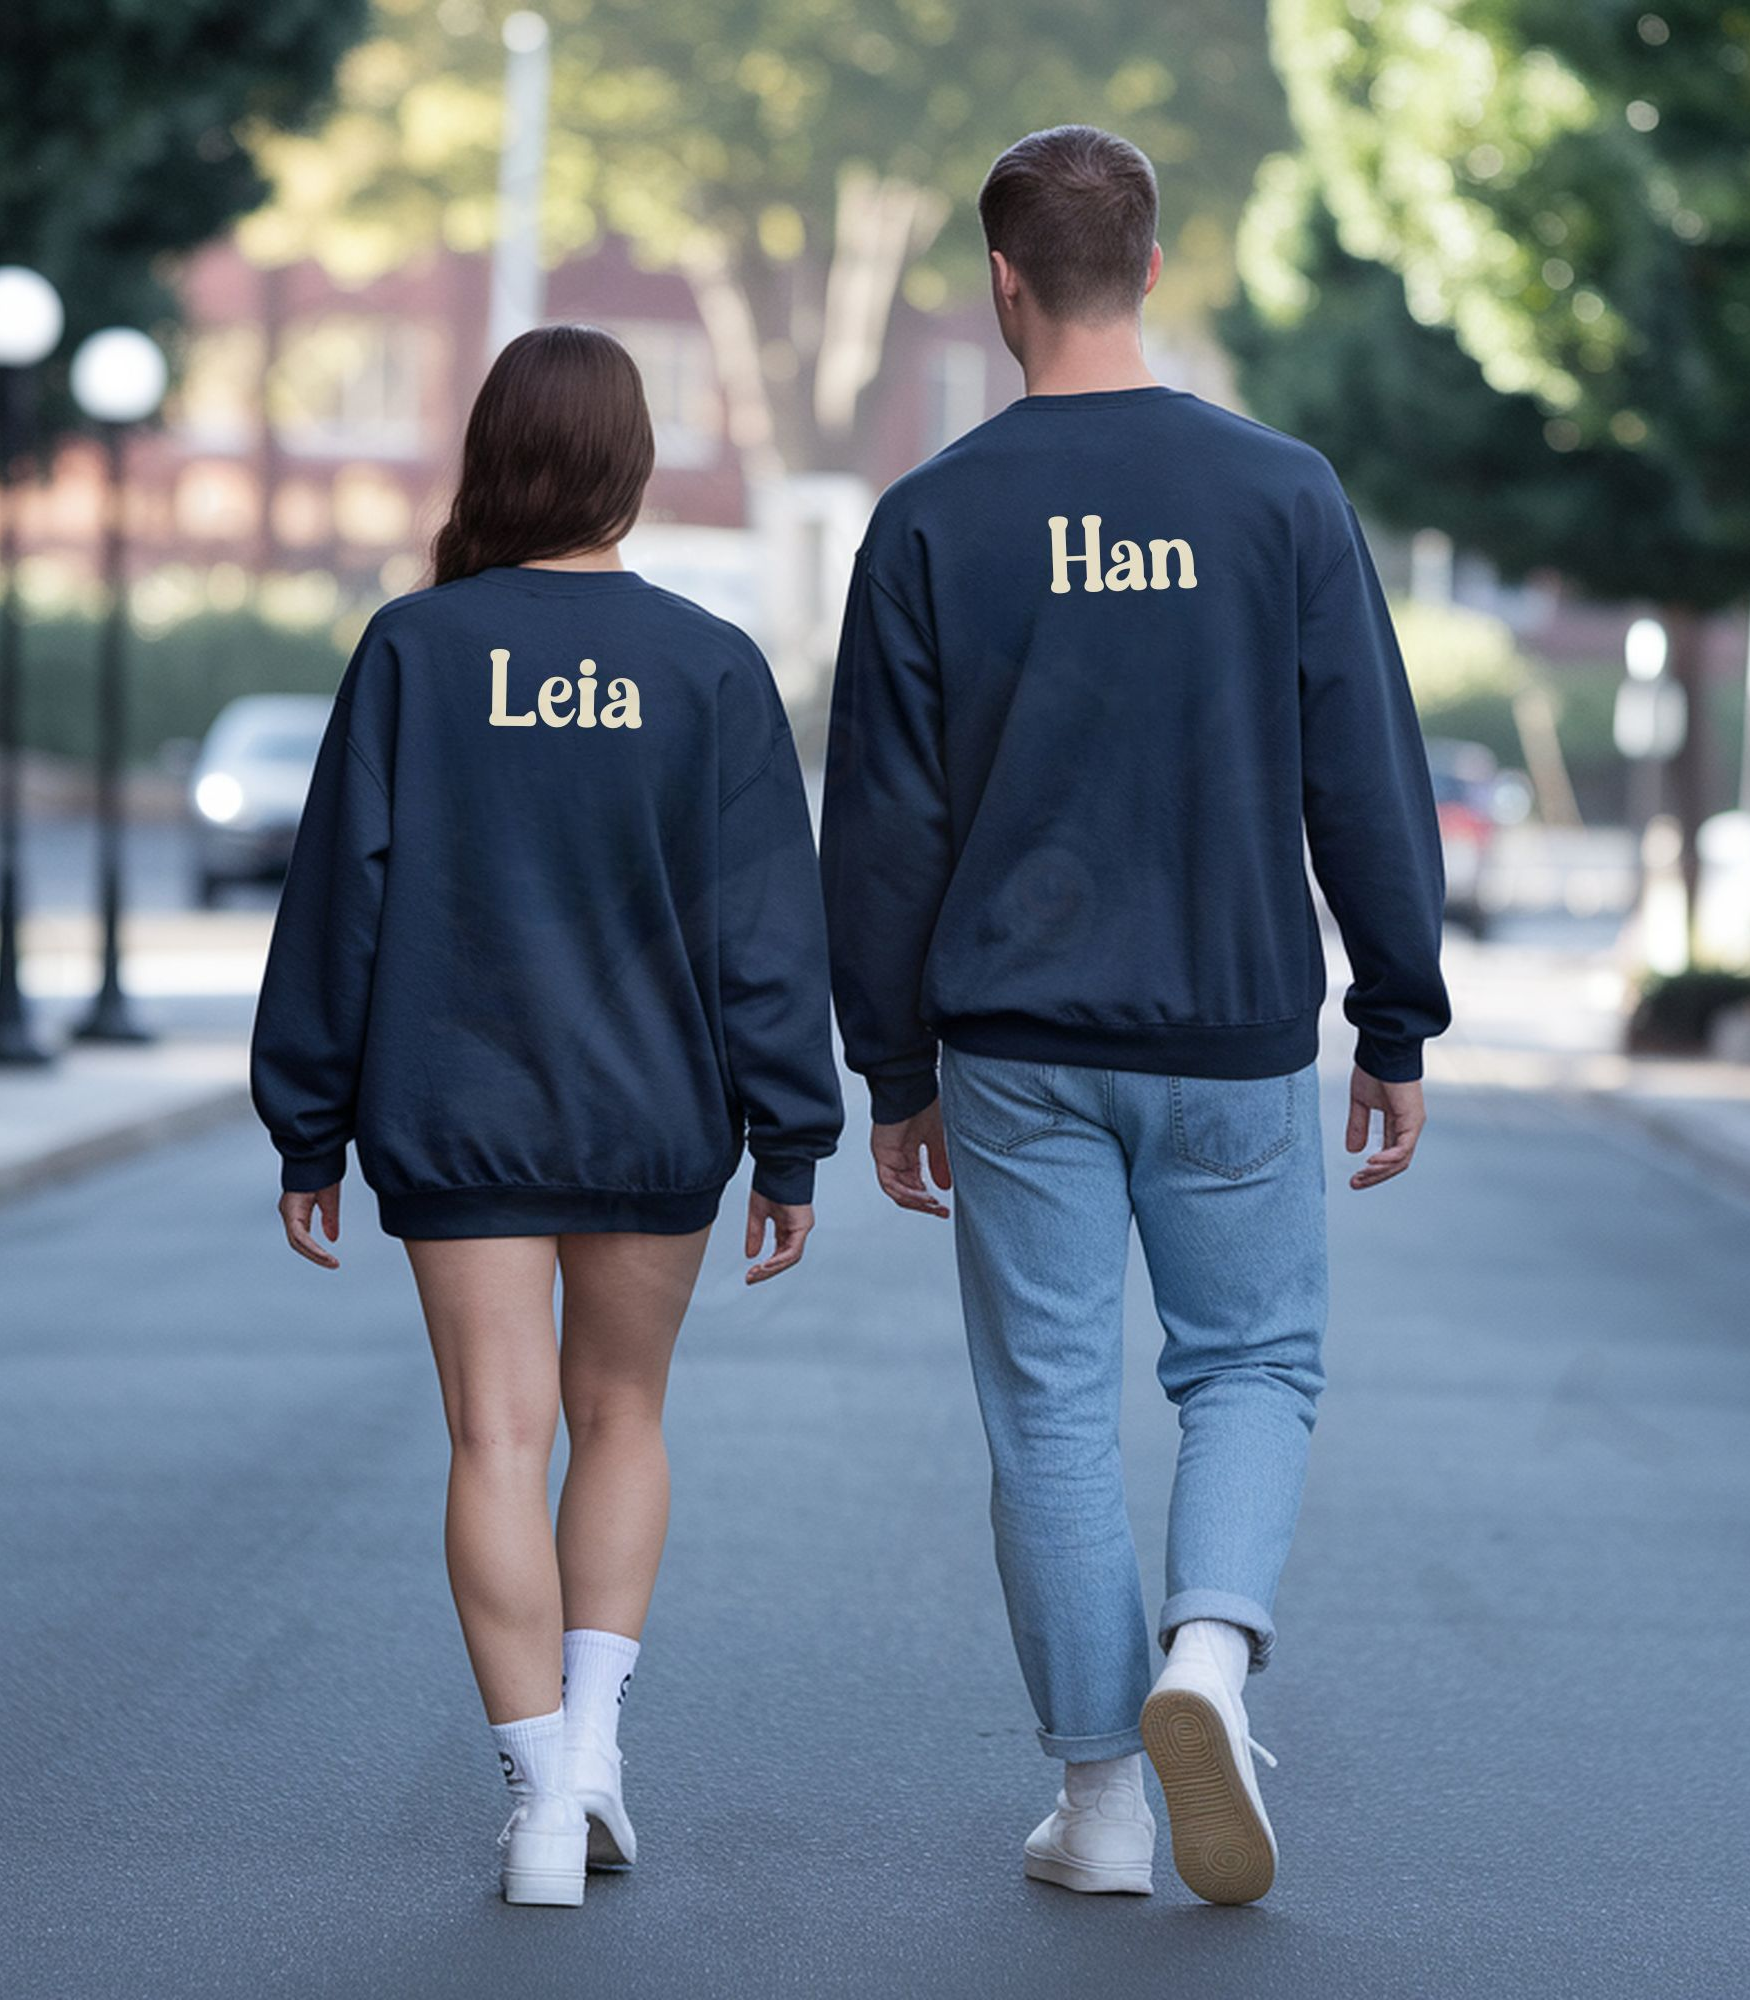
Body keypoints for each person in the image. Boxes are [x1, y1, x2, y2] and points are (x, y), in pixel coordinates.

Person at [819, 126, 1449, 1905]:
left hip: (1013, 1046)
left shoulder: (932, 518)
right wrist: (1396, 1016)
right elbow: (1366, 776)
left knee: (1050, 1412)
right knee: (1250, 1362)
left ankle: (1102, 1809)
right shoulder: (1284, 495)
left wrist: (891, 1065)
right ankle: (1212, 1660)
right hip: (1235, 1030)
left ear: (1002, 285)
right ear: (1153, 269)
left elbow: (880, 825)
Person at [249, 324, 843, 1908]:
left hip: (459, 1108)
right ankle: (594, 1757)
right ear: (633, 468)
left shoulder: (414, 651)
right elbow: (764, 931)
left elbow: (336, 908)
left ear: (493, 457)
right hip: (658, 1114)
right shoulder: (713, 666)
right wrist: (793, 1135)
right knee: (623, 1420)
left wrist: (306, 1122)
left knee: (496, 1438)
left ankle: (537, 1800)